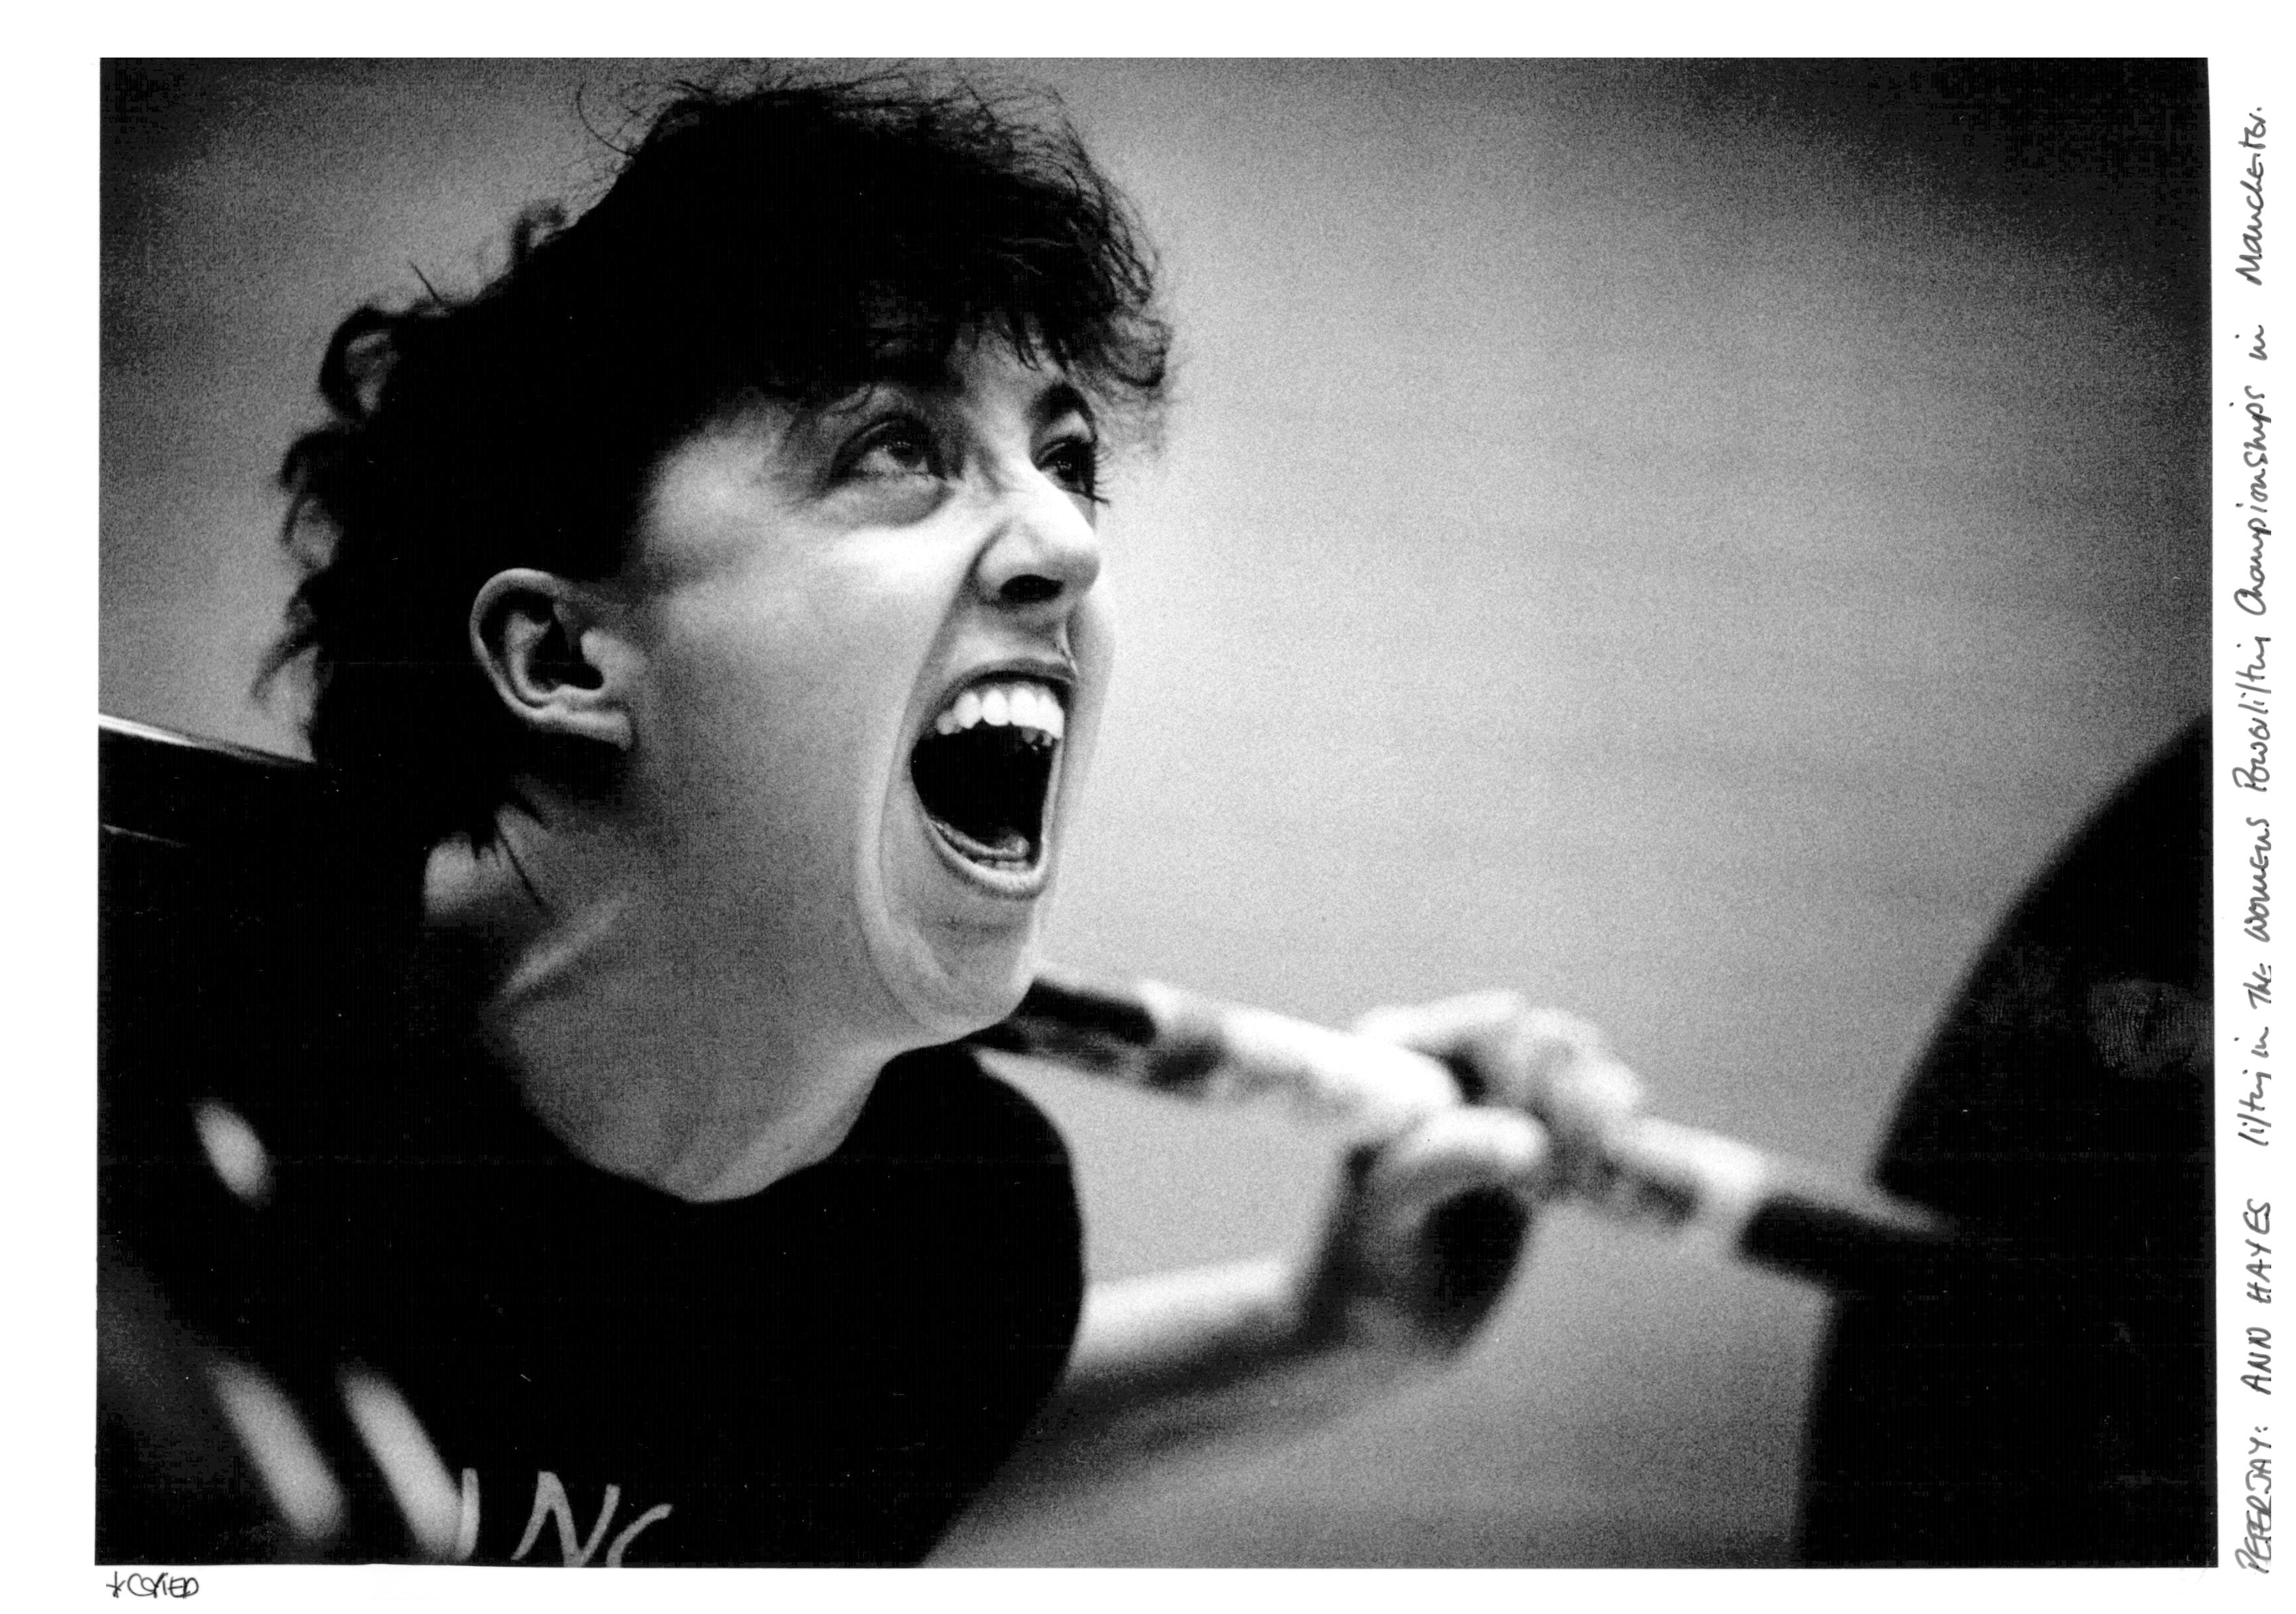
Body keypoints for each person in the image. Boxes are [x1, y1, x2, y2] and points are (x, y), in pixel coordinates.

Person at [103, 67, 1637, 1567]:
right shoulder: (130, 1031)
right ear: (565, 656)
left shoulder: (958, 1254)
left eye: (1067, 462)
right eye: (895, 448)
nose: (1064, 541)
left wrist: (1325, 1336)